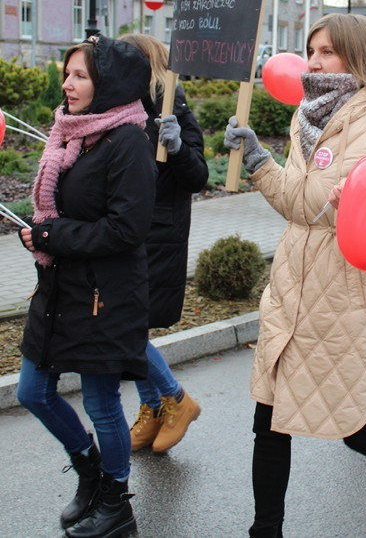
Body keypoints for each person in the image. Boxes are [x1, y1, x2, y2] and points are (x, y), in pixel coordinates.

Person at [225, 13, 366, 537]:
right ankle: (265, 530)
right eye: (311, 50)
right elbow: (298, 206)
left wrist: (364, 204)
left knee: (357, 426)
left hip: (345, 296)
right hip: (292, 288)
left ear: (356, 54)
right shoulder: (306, 118)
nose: (314, 62)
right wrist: (259, 160)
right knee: (268, 422)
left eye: (327, 51)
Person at [17, 35, 156, 538]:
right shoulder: (70, 135)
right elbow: (59, 212)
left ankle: (116, 504)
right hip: (59, 288)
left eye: (80, 76)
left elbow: (126, 230)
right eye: (67, 74)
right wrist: (39, 232)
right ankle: (90, 471)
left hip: (104, 297)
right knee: (32, 392)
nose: (68, 85)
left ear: (107, 84)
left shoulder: (128, 142)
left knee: (101, 405)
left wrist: (50, 235)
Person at [119, 33, 207, 453]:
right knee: (126, 324)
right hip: (126, 231)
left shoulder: (171, 104)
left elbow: (198, 175)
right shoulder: (119, 104)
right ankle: (153, 408)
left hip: (157, 235)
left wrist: (176, 147)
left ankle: (174, 399)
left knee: (127, 325)